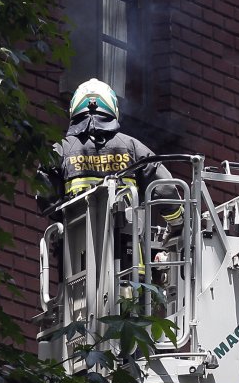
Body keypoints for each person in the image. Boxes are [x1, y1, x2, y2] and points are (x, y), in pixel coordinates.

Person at [37, 79, 182, 282]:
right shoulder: (133, 147)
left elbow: (45, 199)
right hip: (128, 270)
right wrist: (178, 224)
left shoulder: (60, 151)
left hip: (77, 272)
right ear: (112, 109)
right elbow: (166, 189)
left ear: (74, 110)